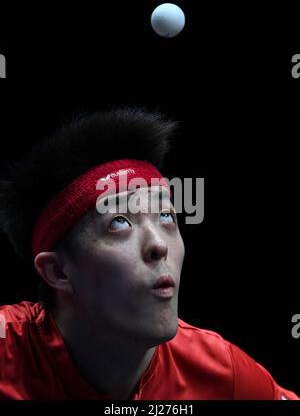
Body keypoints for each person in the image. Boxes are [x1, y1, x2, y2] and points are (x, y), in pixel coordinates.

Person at [0, 107, 298, 400]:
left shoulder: (222, 372)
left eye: (167, 217)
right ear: (58, 271)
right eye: (119, 222)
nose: (159, 245)